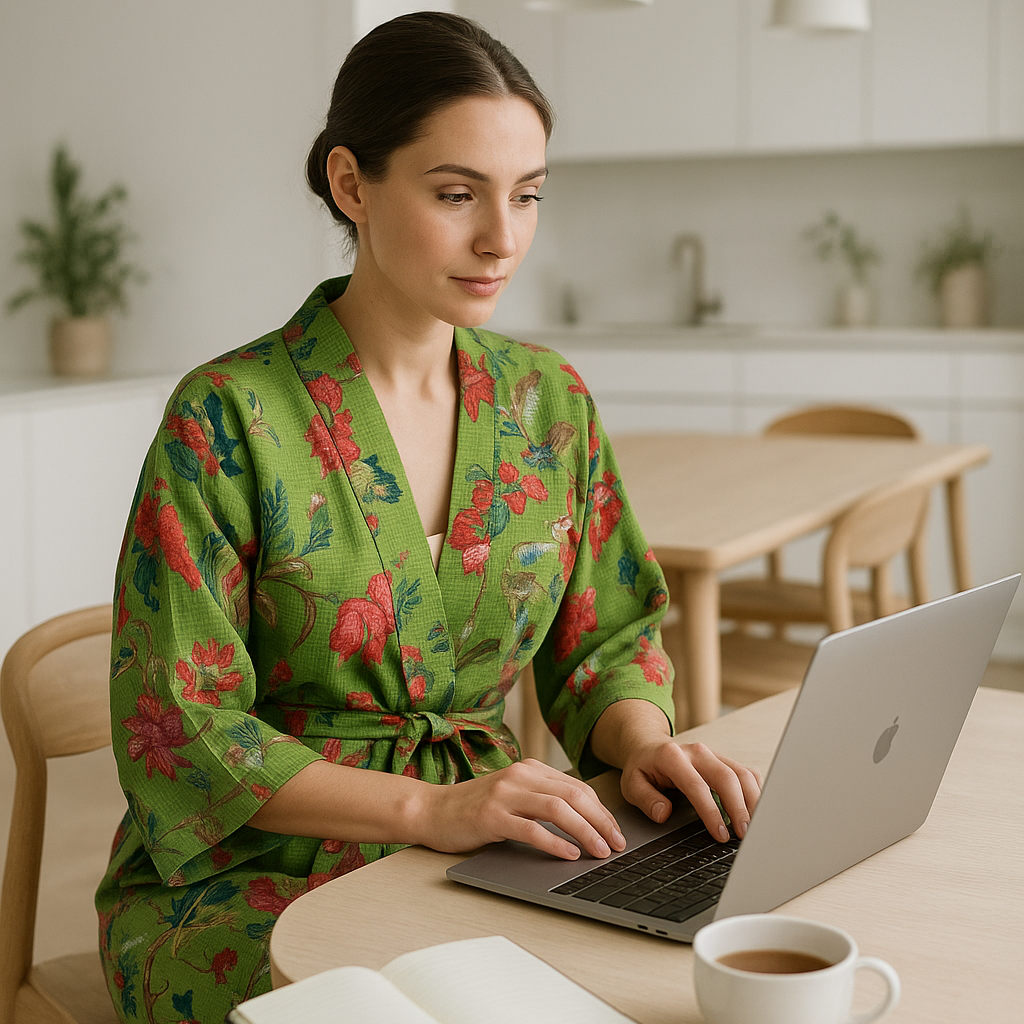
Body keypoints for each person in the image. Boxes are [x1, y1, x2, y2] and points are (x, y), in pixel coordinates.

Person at [96, 12, 762, 1022]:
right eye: (457, 195)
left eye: (527, 195)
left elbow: (606, 640)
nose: (502, 237)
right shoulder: (226, 417)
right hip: (244, 878)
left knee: (661, 978)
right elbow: (182, 728)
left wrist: (638, 742)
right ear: (351, 184)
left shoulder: (550, 401)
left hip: (486, 844)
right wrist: (429, 806)